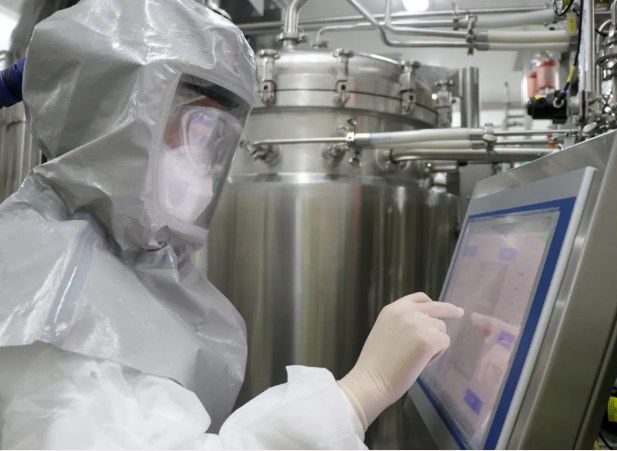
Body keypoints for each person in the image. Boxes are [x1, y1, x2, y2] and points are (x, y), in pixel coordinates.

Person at [0, 0, 464, 448]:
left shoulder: (115, 258)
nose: (201, 168)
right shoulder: (51, 302)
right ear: (113, 122)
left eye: (213, 141)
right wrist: (358, 395)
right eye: (194, 131)